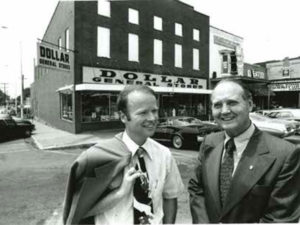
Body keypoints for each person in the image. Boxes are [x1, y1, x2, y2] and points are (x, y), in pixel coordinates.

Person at [62, 85, 184, 225]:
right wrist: (120, 193)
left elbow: (170, 197)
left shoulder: (164, 155)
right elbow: (78, 211)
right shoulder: (97, 157)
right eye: (143, 113)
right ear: (123, 117)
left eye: (154, 111)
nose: (152, 118)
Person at [188, 78, 300, 223]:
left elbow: (280, 218)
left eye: (232, 103)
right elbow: (197, 188)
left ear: (250, 105)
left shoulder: (285, 154)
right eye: (217, 105)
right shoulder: (209, 142)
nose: (224, 111)